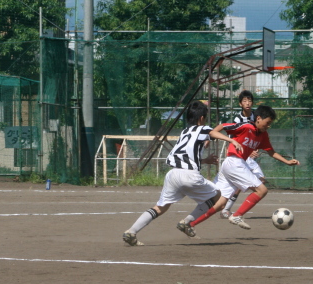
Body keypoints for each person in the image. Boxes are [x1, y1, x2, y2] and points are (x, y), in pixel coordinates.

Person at [122, 101, 242, 246]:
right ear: (202, 118)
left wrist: (205, 160)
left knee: (160, 207)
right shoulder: (202, 128)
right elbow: (212, 132)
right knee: (218, 197)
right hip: (189, 176)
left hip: (173, 175)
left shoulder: (184, 132)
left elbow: (186, 157)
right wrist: (232, 140)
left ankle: (131, 231)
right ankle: (187, 222)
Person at [186, 104, 299, 231]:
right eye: (267, 123)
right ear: (258, 118)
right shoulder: (246, 126)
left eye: (270, 124)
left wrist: (287, 162)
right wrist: (209, 137)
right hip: (234, 162)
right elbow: (223, 125)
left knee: (220, 204)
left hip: (233, 165)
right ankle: (237, 215)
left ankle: (190, 224)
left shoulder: (263, 135)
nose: (268, 126)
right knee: (262, 190)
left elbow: (271, 152)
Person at [219, 90, 265, 219]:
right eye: (245, 101)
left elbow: (259, 133)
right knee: (240, 184)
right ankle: (227, 209)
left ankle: (227, 208)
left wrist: (255, 148)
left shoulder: (256, 117)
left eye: (249, 100)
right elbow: (234, 138)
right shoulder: (237, 119)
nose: (247, 103)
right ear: (240, 104)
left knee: (261, 180)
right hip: (240, 155)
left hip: (248, 155)